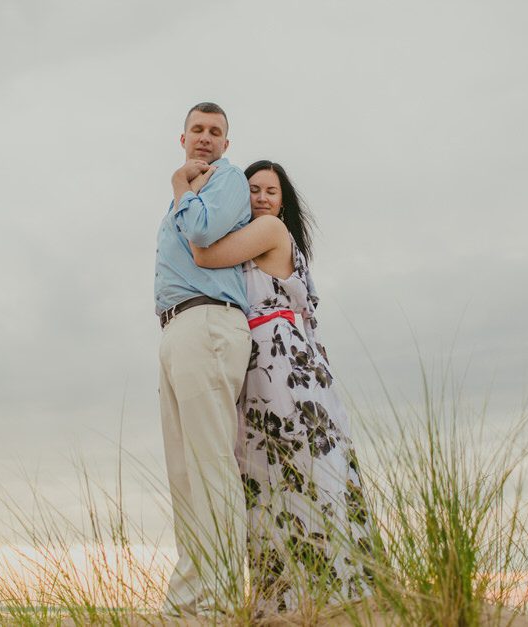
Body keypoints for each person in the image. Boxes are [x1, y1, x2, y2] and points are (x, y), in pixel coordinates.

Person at [190, 160, 377, 615]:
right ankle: (283, 601)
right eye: (252, 189)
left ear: (282, 202)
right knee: (266, 477)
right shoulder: (253, 236)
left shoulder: (270, 230)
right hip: (258, 363)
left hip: (282, 363)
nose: (261, 198)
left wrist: (191, 188)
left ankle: (326, 594)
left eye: (271, 191)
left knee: (299, 472)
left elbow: (205, 252)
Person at [153, 102, 253, 616]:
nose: (206, 138)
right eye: (198, 129)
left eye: (216, 132)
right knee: (185, 475)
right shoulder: (194, 189)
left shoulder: (226, 180)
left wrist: (178, 185)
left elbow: (201, 235)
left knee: (211, 467)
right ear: (183, 136)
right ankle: (188, 602)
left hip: (209, 322)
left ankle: (217, 604)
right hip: (178, 328)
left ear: (226, 144)